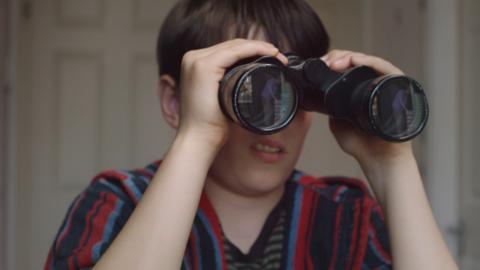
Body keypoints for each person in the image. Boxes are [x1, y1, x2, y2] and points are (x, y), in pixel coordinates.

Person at [44, 0, 458, 269]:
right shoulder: (117, 201)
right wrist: (196, 139)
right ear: (176, 102)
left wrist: (392, 163)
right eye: (256, 90)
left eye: (300, 95)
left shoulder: (347, 216)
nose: (280, 116)